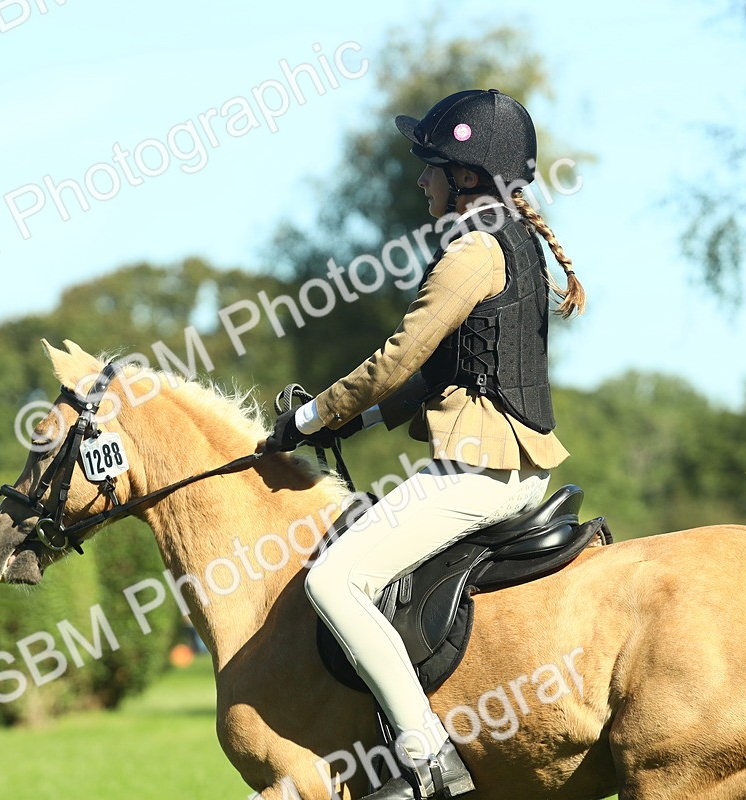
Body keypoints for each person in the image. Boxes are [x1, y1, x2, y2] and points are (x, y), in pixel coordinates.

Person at [264, 89, 584, 800]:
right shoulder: (516, 241)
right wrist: (361, 422)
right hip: (515, 469)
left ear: (467, 176)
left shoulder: (471, 251)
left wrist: (313, 417)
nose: (421, 180)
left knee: (333, 581)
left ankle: (427, 763)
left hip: (477, 474)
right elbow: (446, 373)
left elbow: (399, 356)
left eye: (431, 165)